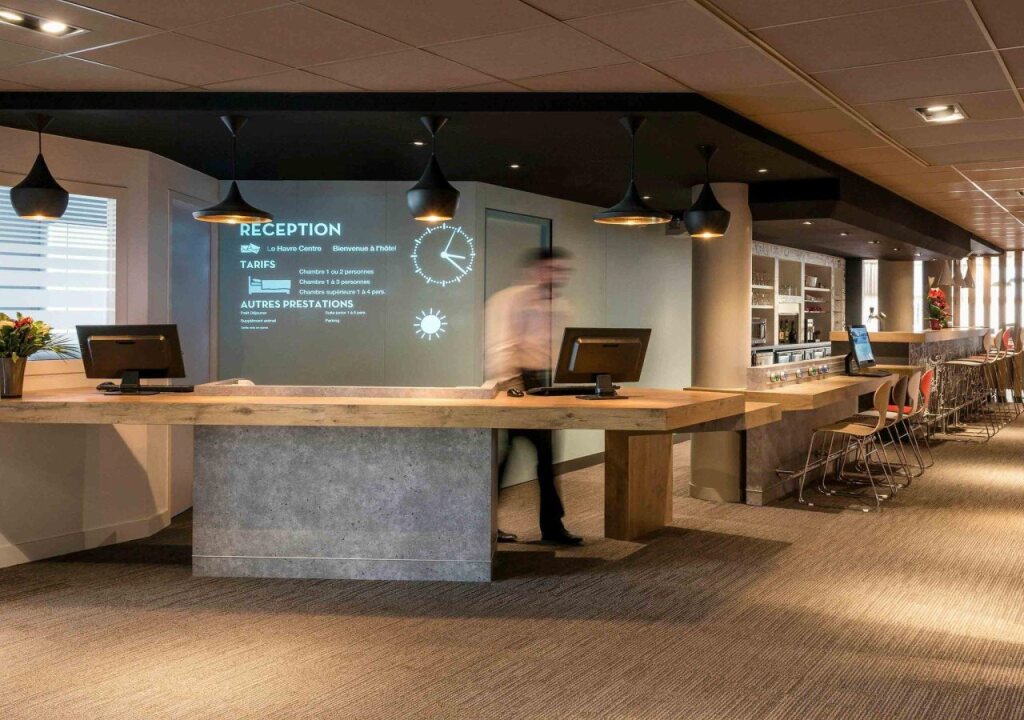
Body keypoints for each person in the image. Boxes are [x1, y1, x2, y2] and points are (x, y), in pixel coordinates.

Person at [484, 246, 582, 546]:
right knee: (517, 459)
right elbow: (502, 348)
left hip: (545, 384)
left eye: (561, 271)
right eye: (551, 269)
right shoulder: (509, 300)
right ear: (535, 270)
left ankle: (543, 527)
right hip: (517, 384)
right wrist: (514, 391)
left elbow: (561, 349)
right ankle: (491, 526)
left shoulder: (562, 306)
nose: (557, 276)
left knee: (540, 459)